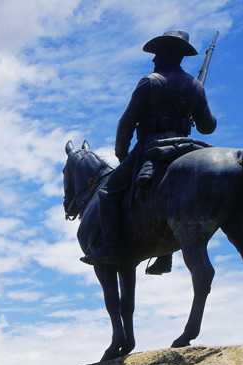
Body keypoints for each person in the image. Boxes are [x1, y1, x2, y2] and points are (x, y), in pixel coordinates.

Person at [83, 30, 217, 267]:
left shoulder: (150, 82)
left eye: (157, 54)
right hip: (186, 148)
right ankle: (165, 256)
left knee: (107, 193)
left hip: (151, 147)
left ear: (166, 55)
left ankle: (111, 248)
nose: (153, 59)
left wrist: (122, 152)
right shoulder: (194, 86)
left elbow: (126, 122)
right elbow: (208, 127)